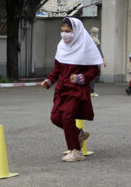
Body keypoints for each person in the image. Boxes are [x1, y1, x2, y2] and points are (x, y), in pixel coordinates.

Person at [41, 17, 102, 162]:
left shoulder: (86, 46)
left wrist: (82, 77)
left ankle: (76, 151)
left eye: (67, 31)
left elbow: (94, 70)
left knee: (67, 117)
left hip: (76, 90)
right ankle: (79, 134)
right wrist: (49, 80)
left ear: (76, 31)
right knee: (55, 118)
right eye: (62, 31)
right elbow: (57, 68)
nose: (64, 34)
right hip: (62, 88)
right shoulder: (62, 46)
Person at [89, 27, 106, 97]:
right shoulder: (96, 40)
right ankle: (91, 91)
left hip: (86, 60)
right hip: (93, 60)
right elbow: (99, 51)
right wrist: (103, 59)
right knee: (92, 76)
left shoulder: (87, 38)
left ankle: (87, 91)